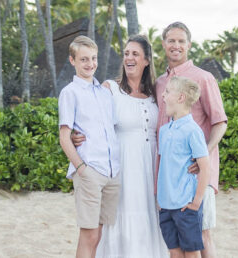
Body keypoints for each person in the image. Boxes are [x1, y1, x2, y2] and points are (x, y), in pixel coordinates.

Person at [154, 22, 227, 258]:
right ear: (164, 44)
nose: (176, 46)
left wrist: (203, 153)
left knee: (203, 235)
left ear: (189, 45)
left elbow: (220, 122)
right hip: (170, 181)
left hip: (196, 177)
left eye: (181, 41)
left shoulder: (203, 78)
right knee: (177, 243)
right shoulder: (160, 83)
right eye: (171, 41)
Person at [97, 35, 168, 258]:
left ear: (146, 60)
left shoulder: (156, 94)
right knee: (123, 214)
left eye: (135, 54)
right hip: (124, 166)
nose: (129, 58)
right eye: (126, 53)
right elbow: (92, 121)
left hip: (152, 167)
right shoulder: (110, 88)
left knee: (150, 215)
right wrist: (77, 135)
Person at [59, 35, 122, 258]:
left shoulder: (105, 94)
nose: (90, 64)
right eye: (84, 59)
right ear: (72, 60)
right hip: (90, 171)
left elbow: (112, 131)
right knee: (88, 235)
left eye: (93, 58)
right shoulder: (69, 93)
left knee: (98, 234)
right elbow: (64, 136)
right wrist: (82, 168)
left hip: (112, 172)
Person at [156, 76, 210, 258]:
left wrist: (197, 201)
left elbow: (205, 167)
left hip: (185, 205)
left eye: (167, 92)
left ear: (180, 98)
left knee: (191, 252)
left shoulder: (193, 130)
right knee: (174, 252)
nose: (163, 95)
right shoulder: (164, 131)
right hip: (165, 204)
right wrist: (160, 197)